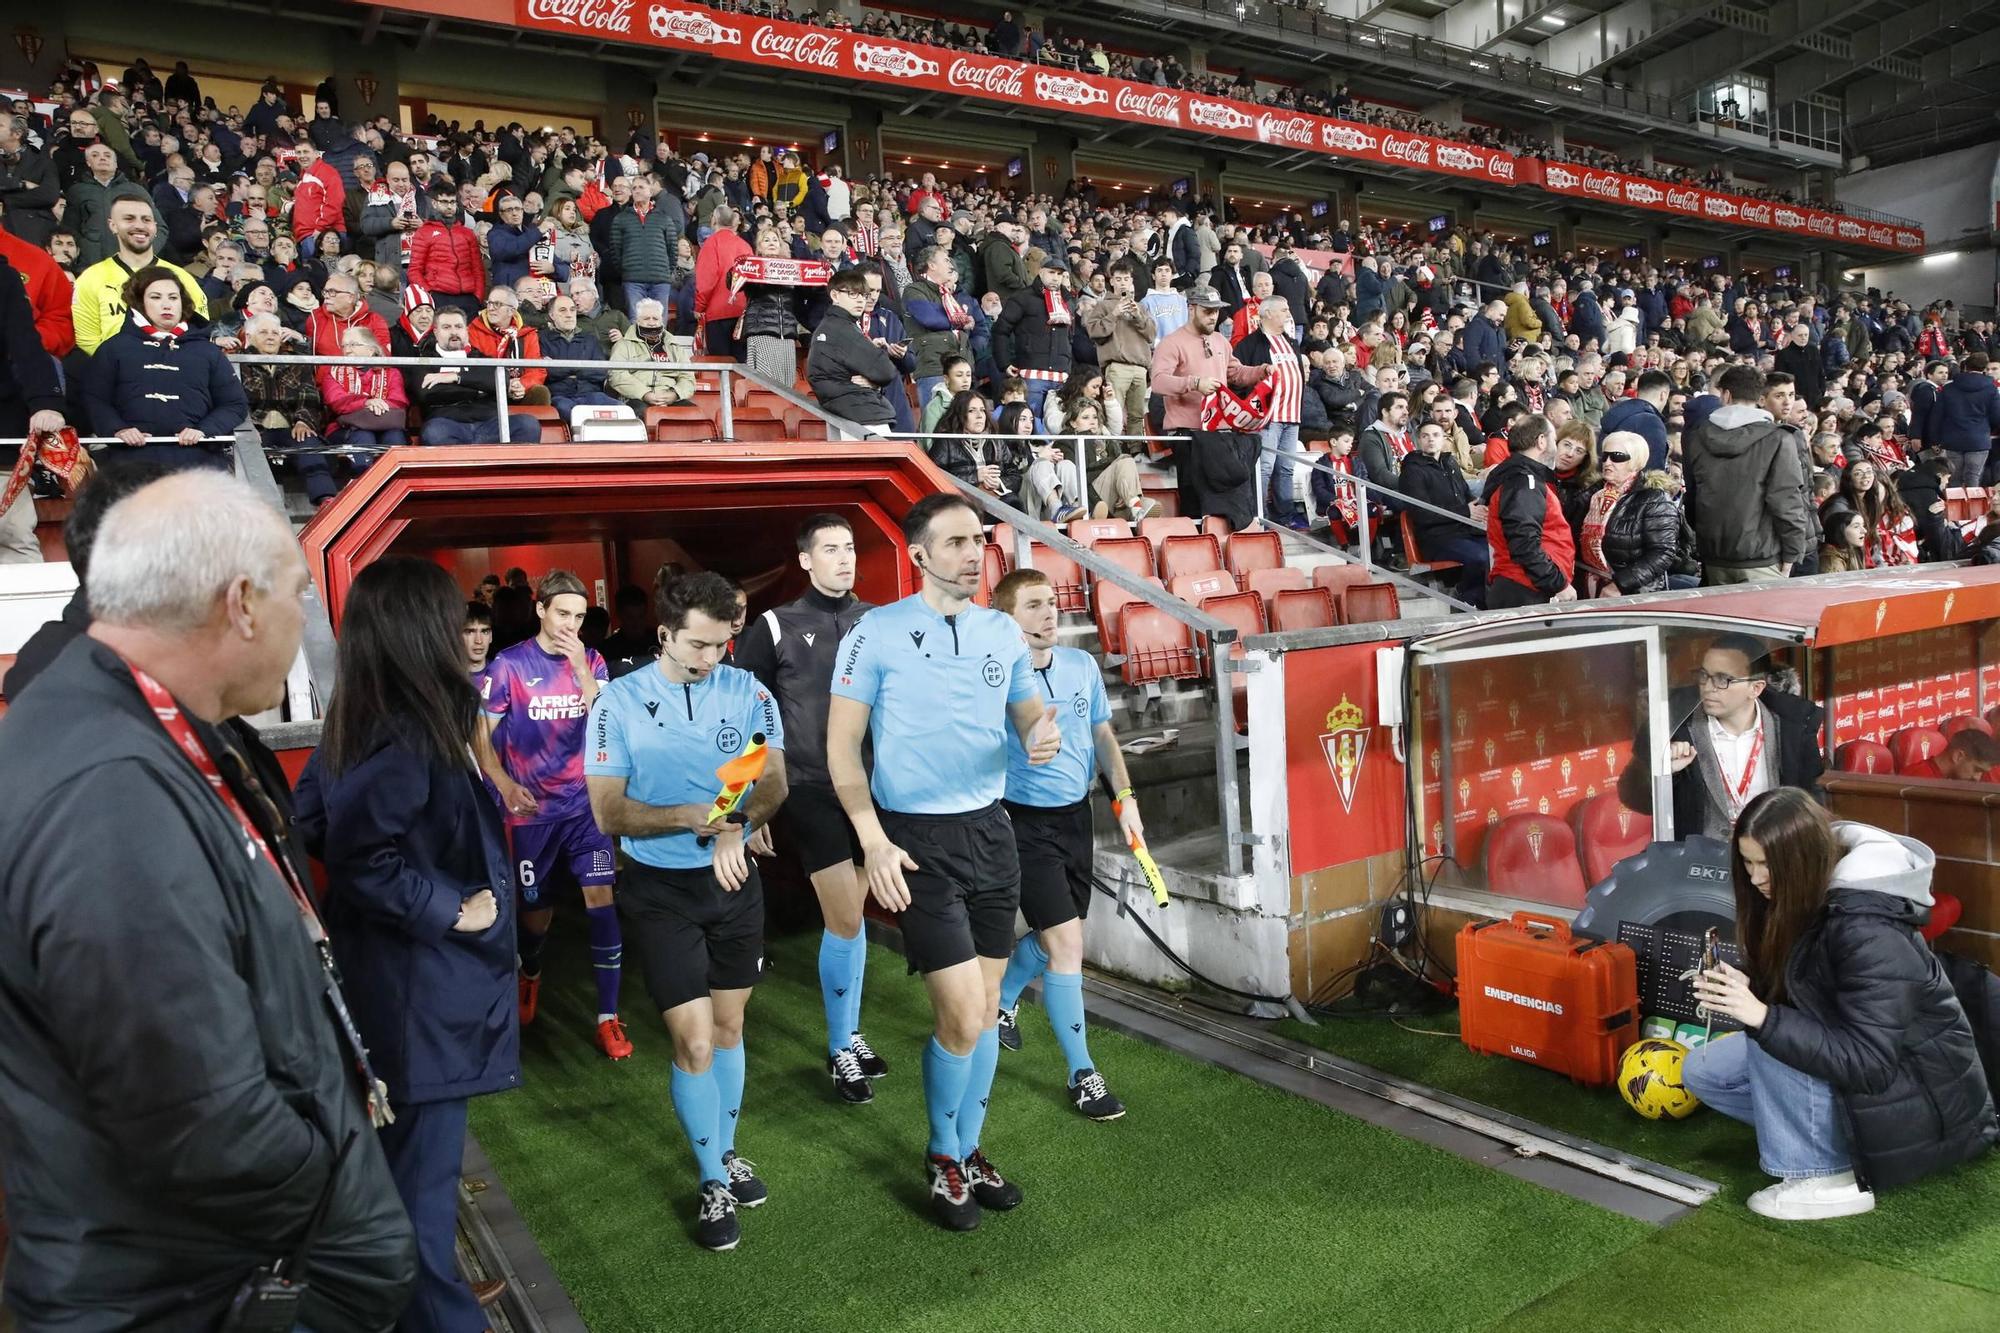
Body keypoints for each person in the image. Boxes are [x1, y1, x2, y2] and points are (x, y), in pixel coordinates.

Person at [0, 471, 416, 1330]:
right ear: (241, 604)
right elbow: (198, 1121)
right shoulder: (108, 787)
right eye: (300, 595)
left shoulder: (133, 728)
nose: (308, 622)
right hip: (197, 1294)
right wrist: (343, 1217)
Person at [826, 493, 1064, 1231]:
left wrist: (1038, 731)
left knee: (986, 1014)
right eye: (956, 540)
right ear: (919, 554)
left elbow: (1025, 707)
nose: (973, 551)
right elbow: (840, 749)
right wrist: (872, 840)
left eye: (979, 538)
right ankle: (940, 1155)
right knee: (961, 1014)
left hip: (992, 832)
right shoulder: (875, 632)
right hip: (913, 842)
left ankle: (970, 1146)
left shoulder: (1000, 630)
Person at [294, 557, 520, 1329]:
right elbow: (361, 855)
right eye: (452, 615)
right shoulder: (405, 728)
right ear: (419, 628)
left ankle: (421, 1292)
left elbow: (317, 820)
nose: (466, 630)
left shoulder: (371, 711)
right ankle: (438, 1308)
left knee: (406, 1175)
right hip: (421, 992)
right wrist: (450, 906)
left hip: (403, 985)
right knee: (420, 1189)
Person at [586, 570, 789, 1251]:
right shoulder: (618, 701)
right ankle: (711, 1178)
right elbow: (609, 810)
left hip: (733, 884)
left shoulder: (746, 691)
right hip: (659, 890)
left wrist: (733, 823)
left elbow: (770, 779)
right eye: (697, 646)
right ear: (665, 634)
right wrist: (687, 818)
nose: (710, 658)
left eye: (720, 644)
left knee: (729, 1030)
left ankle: (727, 1149)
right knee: (694, 1040)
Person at [1687, 789, 1996, 1219]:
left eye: (1768, 865)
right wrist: (1746, 989)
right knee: (1704, 1072)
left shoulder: (1867, 929)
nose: (1756, 878)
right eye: (1748, 862)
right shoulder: (1797, 899)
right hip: (1867, 1070)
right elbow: (1805, 994)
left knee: (1769, 1035)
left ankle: (1827, 1175)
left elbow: (1871, 1064)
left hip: (1920, 1101)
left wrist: (1759, 1015)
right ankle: (1833, 1139)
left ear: (1804, 860)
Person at [733, 514, 888, 1103]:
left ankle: (850, 1033)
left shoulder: (877, 620)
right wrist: (752, 803)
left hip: (871, 790)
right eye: (830, 549)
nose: (844, 558)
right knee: (845, 919)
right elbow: (745, 716)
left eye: (849, 548)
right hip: (810, 789)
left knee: (855, 919)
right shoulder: (774, 626)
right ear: (805, 560)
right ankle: (840, 1047)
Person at [991, 568, 1139, 1121]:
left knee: (1060, 936)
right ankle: (1082, 1073)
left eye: (1050, 603)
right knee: (1067, 948)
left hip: (1078, 818)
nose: (1048, 614)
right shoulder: (996, 679)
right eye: (1032, 606)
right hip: (1023, 824)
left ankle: (1003, 1002)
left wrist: (1126, 801)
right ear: (1005, 618)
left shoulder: (1081, 666)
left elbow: (1103, 734)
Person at [478, 570, 630, 1060]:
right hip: (530, 812)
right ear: (541, 609)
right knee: (536, 915)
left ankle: (608, 1019)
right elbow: (480, 735)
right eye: (562, 613)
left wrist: (582, 671)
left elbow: (606, 720)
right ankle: (531, 969)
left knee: (601, 898)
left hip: (583, 807)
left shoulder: (592, 660)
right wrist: (502, 783)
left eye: (580, 616)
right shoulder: (508, 666)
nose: (571, 624)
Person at [1618, 632, 1825, 842]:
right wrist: (1663, 772)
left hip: (1767, 862)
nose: (1708, 688)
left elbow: (1810, 800)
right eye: (1704, 676)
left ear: (1756, 688)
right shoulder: (1672, 725)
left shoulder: (1793, 727)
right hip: (1696, 863)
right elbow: (1633, 798)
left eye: (1723, 680)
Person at [82, 265, 245, 476]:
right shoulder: (114, 348)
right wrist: (117, 429)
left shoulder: (207, 351)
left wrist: (204, 430)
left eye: (173, 297)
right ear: (140, 303)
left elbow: (234, 404)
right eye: (156, 297)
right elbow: (95, 398)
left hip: (198, 464)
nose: (166, 305)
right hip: (130, 464)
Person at [1683, 365, 1812, 585]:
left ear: (1726, 395)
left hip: (1713, 556)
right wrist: (1793, 552)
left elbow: (1693, 497)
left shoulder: (1697, 435)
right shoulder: (1779, 438)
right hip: (1761, 559)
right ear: (1759, 397)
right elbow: (1786, 500)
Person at [1150, 283, 1266, 522]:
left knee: (1225, 504)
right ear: (1191, 309)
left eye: (1216, 311)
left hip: (1220, 433)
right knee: (1194, 503)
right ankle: (1196, 549)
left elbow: (1236, 373)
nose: (1214, 315)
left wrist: (1261, 372)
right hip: (1189, 434)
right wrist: (1194, 383)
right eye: (1208, 310)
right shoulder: (1171, 343)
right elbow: (1159, 382)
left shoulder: (1220, 341)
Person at [1484, 413, 1577, 609]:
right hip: (1525, 590)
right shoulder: (1525, 482)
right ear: (1541, 441)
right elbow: (1524, 542)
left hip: (1522, 587)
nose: (1556, 444)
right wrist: (1557, 583)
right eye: (1554, 438)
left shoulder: (1519, 478)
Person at [413, 306, 544, 444]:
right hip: (449, 426)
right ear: (436, 332)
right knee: (434, 432)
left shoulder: (481, 359)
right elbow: (427, 393)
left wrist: (456, 377)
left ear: (466, 330)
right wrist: (480, 388)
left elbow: (501, 381)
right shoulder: (422, 360)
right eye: (446, 327)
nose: (454, 332)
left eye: (458, 327)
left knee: (528, 425)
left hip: (491, 425)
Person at [1396, 420, 1488, 606]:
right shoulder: (1412, 470)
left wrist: (1477, 506)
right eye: (1425, 436)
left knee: (1499, 550)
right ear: (1418, 441)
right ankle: (1467, 598)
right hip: (1437, 537)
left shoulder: (1449, 461)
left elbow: (1466, 493)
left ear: (1443, 439)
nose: (1431, 440)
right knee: (1481, 557)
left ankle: (1487, 599)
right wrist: (1466, 511)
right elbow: (1422, 513)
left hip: (1464, 531)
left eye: (1436, 435)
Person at [1580, 432, 1679, 596]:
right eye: (1605, 456)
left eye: (1617, 457)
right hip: (1592, 586)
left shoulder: (1654, 498)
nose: (1608, 462)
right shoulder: (1594, 494)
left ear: (1635, 462)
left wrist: (1621, 584)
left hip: (1635, 594)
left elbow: (1662, 553)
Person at [806, 268, 899, 435]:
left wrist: (872, 381)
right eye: (852, 294)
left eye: (863, 295)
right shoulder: (841, 329)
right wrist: (875, 380)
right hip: (862, 417)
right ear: (835, 295)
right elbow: (886, 370)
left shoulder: (831, 326)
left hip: (849, 412)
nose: (861, 300)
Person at [1922, 352, 2000, 490]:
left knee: (1954, 478)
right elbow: (1996, 416)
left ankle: (1954, 509)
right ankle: (1972, 510)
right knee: (1973, 477)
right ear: (1984, 368)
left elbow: (1937, 415)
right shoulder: (1991, 389)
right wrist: (1987, 428)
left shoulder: (1949, 388)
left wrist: (1934, 439)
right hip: (1978, 439)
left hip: (1952, 439)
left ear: (1965, 367)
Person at [1902, 728, 2000, 783]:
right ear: (1958, 756)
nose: (1977, 778)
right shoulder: (1918, 779)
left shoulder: (1952, 780)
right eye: (1976, 770)